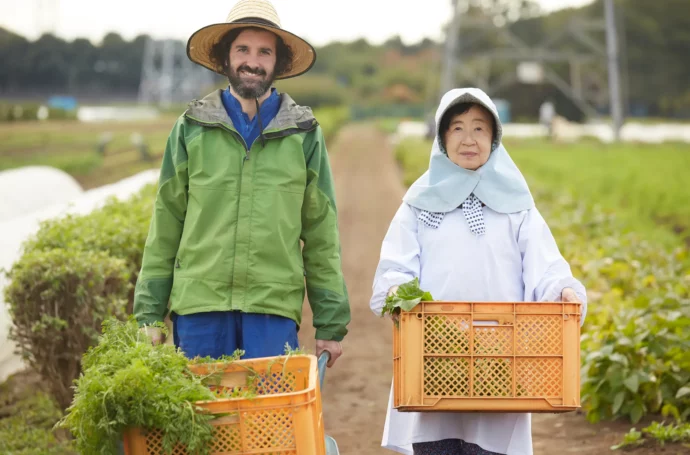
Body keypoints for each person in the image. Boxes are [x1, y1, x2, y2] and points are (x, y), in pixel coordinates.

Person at [370, 88, 587, 455]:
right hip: (434, 356)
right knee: (437, 441)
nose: (468, 140)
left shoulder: (516, 205)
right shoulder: (419, 202)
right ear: (441, 138)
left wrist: (562, 289)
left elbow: (545, 264)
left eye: (479, 129)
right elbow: (396, 265)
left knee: (492, 441)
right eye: (456, 128)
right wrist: (396, 291)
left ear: (494, 138)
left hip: (502, 355)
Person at [133, 0, 350, 367]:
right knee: (203, 421)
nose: (253, 60)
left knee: (267, 422)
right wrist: (149, 313)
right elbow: (166, 222)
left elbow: (321, 233)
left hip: (272, 309)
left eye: (265, 51)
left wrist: (330, 321)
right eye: (243, 49)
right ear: (225, 58)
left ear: (278, 62)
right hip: (200, 307)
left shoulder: (303, 134)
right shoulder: (191, 128)